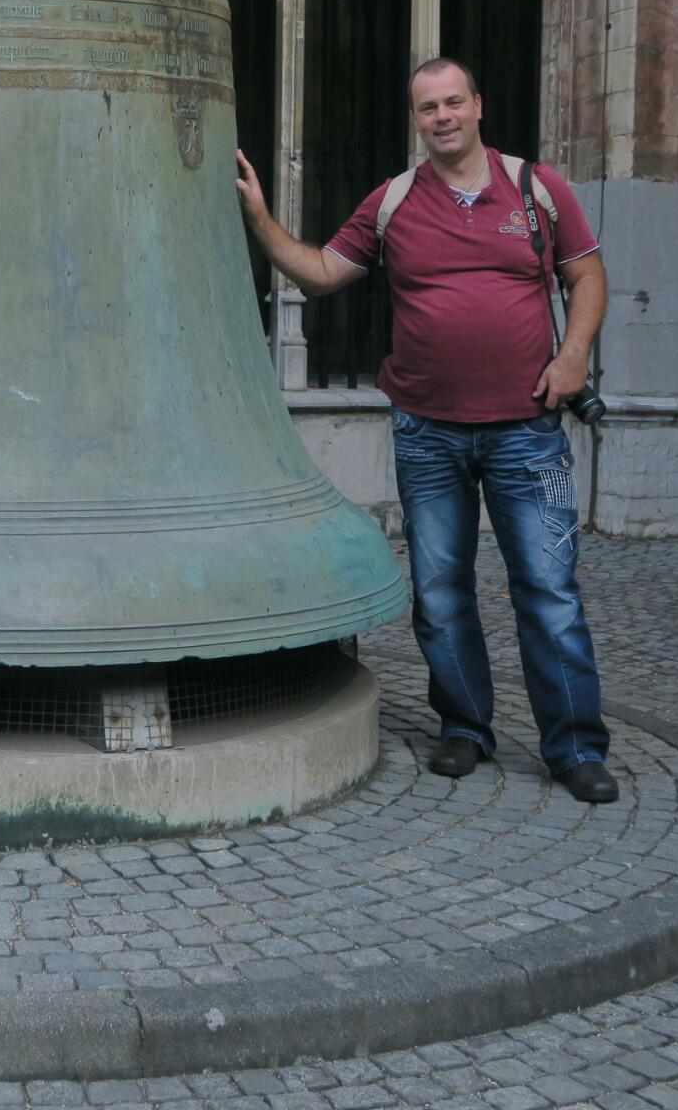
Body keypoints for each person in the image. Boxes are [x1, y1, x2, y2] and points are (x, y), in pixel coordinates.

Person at [233, 56, 618, 804]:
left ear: (478, 106)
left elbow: (587, 275)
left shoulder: (536, 188)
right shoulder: (395, 201)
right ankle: (465, 728)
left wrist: (573, 356)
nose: (442, 117)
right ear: (417, 120)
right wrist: (260, 219)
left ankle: (575, 747)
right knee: (440, 591)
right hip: (427, 434)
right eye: (427, 108)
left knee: (548, 590)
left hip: (527, 432)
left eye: (452, 102)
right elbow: (320, 272)